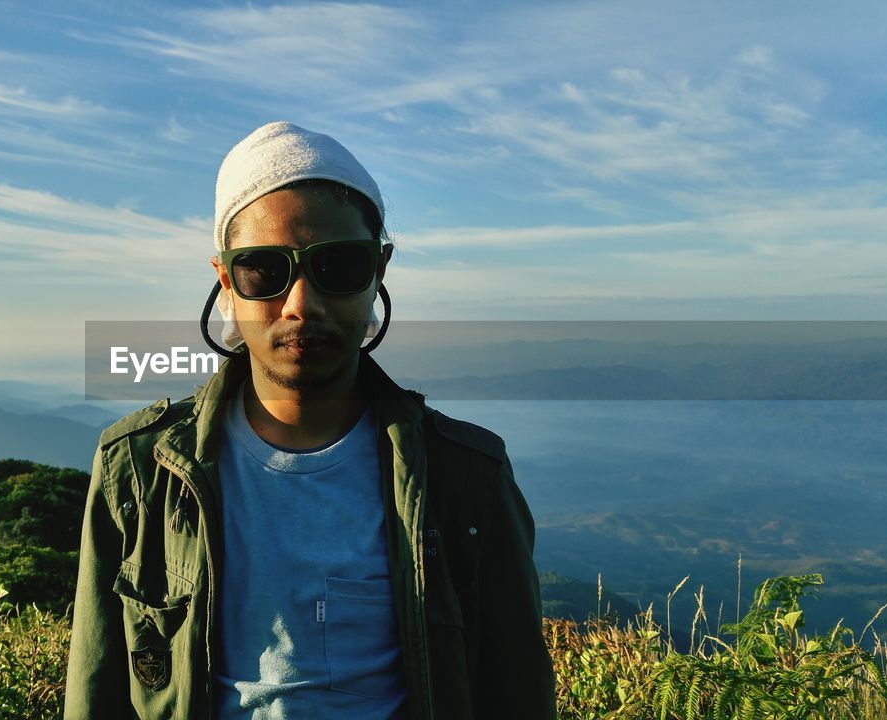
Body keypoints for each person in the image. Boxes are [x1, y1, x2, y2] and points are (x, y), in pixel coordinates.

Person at [64, 121, 556, 719]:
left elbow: (517, 691)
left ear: (380, 271)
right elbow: (96, 690)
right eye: (264, 270)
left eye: (339, 267)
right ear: (225, 280)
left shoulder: (466, 477)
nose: (302, 302)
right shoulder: (138, 471)